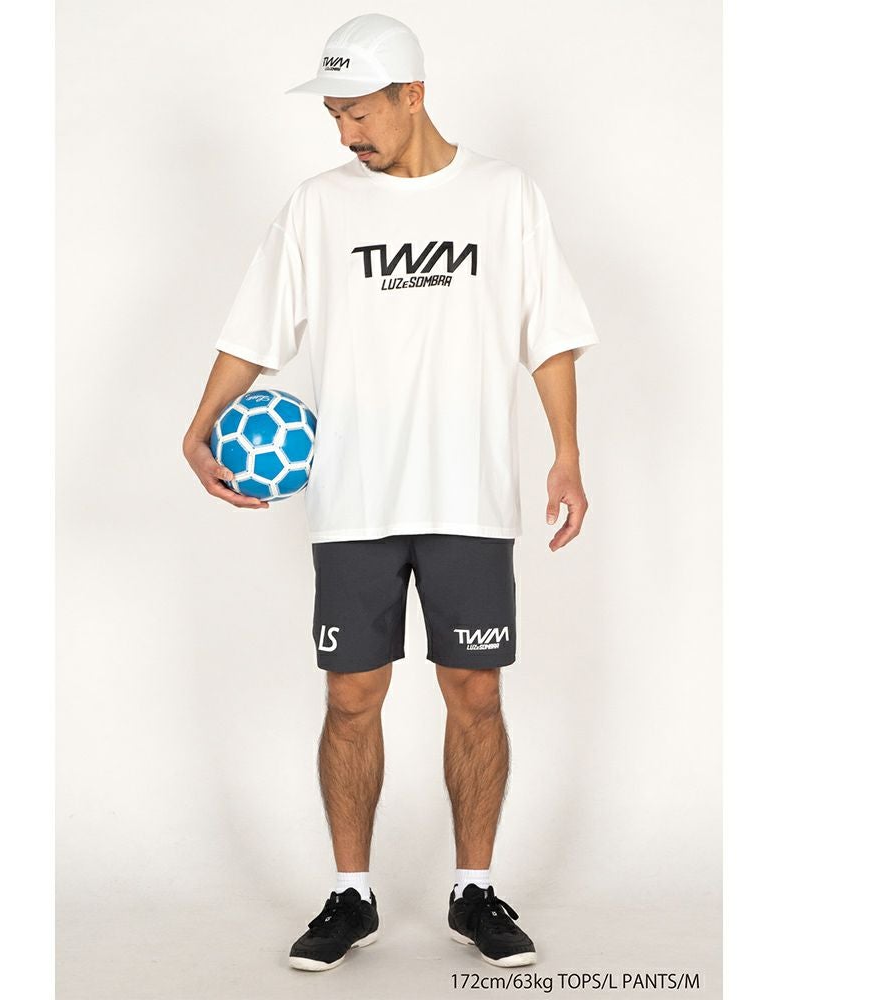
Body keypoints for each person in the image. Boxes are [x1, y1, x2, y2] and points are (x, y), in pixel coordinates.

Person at [182, 12, 600, 973]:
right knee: (351, 697)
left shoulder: (503, 195)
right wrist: (198, 424)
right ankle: (350, 895)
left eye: (359, 113)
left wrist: (567, 453)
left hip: (469, 496)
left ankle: (474, 891)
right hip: (354, 500)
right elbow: (255, 330)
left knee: (475, 693)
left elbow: (549, 333)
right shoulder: (317, 207)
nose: (345, 134)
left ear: (414, 95)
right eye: (333, 116)